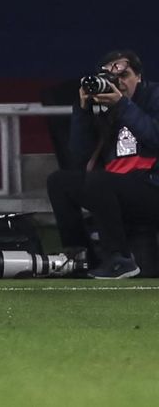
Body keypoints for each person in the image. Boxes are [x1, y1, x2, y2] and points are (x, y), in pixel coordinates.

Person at [46, 51, 159, 280]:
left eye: (124, 75)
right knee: (59, 182)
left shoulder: (154, 96)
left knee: (100, 180)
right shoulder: (102, 106)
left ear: (139, 76)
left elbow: (155, 138)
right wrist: (82, 111)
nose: (118, 83)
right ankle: (79, 256)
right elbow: (79, 156)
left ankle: (119, 259)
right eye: (111, 78)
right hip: (115, 187)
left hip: (151, 186)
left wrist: (123, 105)